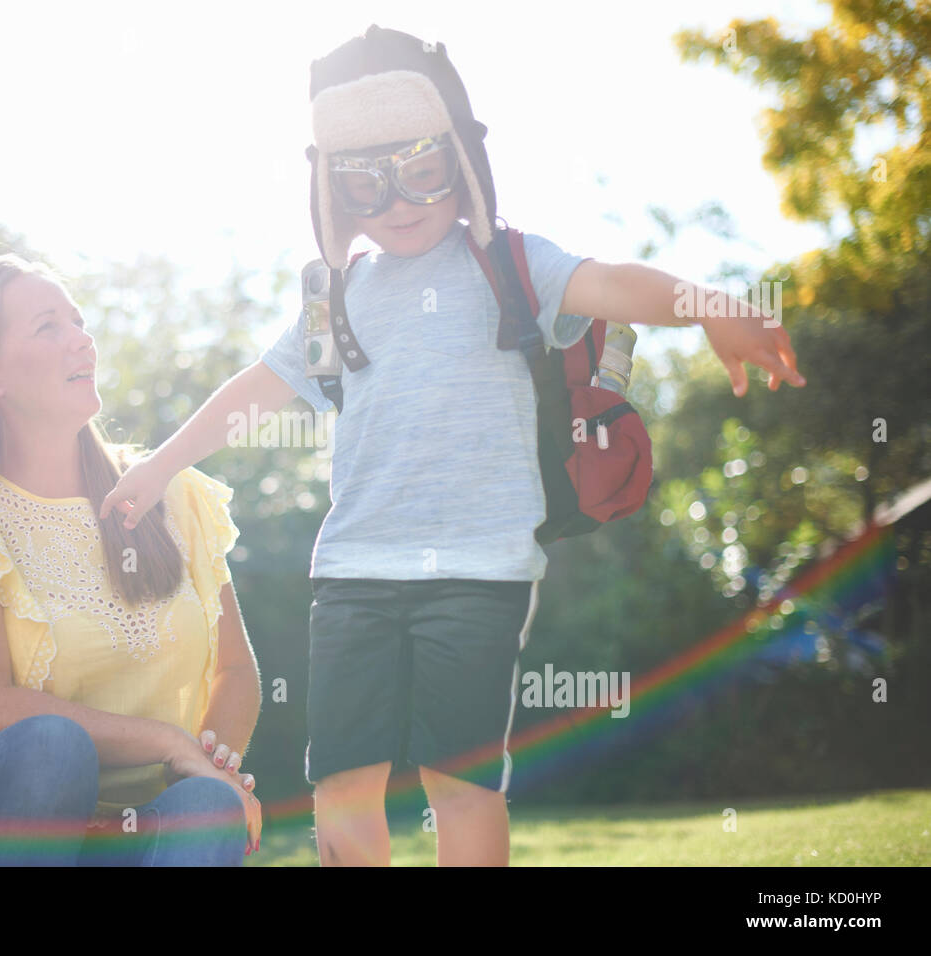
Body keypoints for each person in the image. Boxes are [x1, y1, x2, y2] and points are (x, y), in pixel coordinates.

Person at [99, 26, 806, 867]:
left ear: (461, 165)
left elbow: (613, 282)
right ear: (334, 194)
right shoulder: (339, 298)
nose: (398, 202)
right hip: (353, 573)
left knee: (460, 782)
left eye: (422, 171)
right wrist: (158, 465)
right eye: (365, 184)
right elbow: (256, 389)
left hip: (480, 570)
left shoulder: (509, 262)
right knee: (341, 784)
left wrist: (710, 304)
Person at [0, 254, 263, 866]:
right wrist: (165, 741)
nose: (83, 339)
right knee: (53, 746)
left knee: (209, 809)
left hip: (133, 824)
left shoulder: (170, 492)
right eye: (48, 326)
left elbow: (235, 670)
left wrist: (208, 772)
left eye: (78, 322)